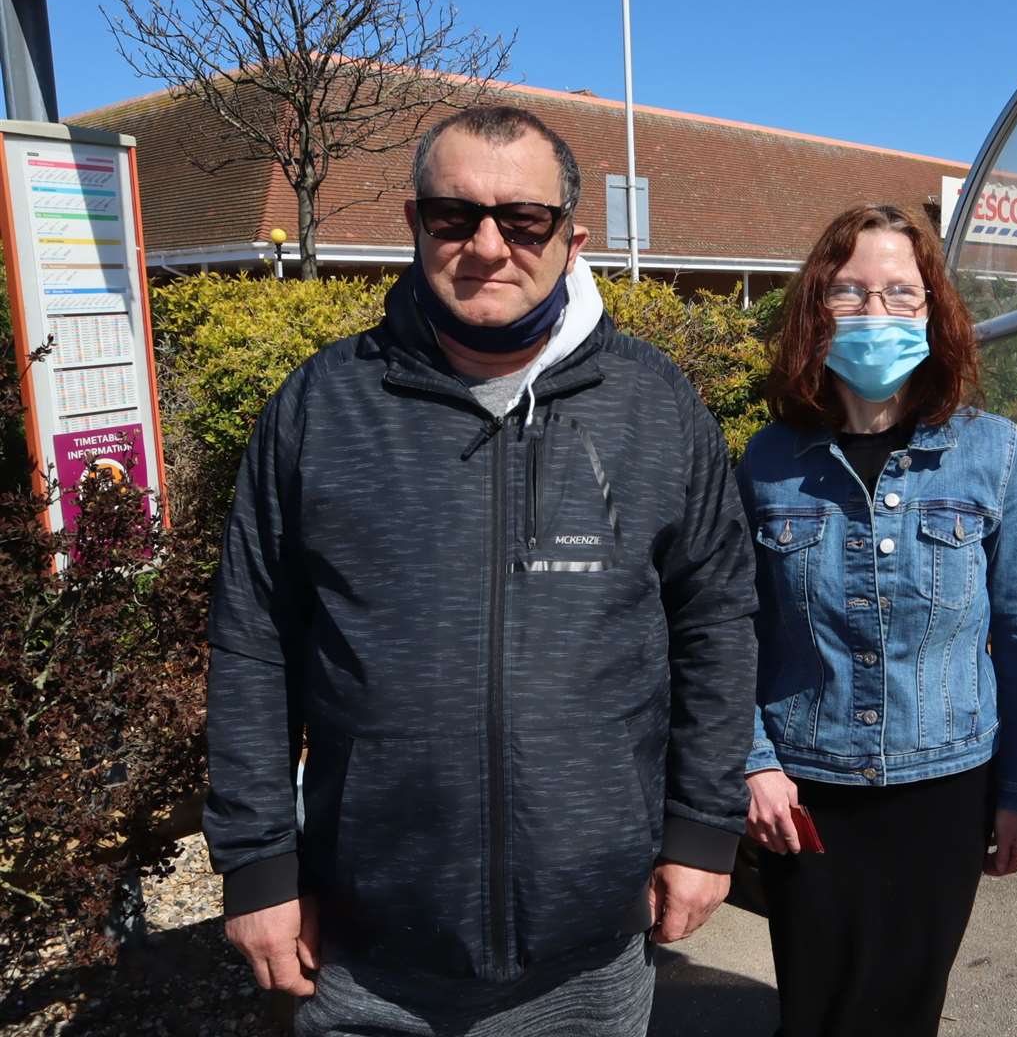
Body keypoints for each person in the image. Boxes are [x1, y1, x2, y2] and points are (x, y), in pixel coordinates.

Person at [203, 104, 758, 1036]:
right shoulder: (322, 408)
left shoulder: (655, 407)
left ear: (572, 238)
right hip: (364, 949)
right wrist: (256, 863)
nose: (488, 246)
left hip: (587, 954)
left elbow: (717, 622)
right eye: (455, 217)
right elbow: (252, 638)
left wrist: (703, 830)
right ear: (415, 226)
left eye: (524, 219)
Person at [735, 204, 1017, 1037]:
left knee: (908, 1008)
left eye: (900, 294)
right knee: (817, 1006)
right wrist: (755, 764)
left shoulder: (995, 452)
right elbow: (734, 628)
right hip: (806, 787)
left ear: (933, 311)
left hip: (945, 790)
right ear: (816, 311)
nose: (877, 315)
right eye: (851, 294)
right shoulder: (769, 459)